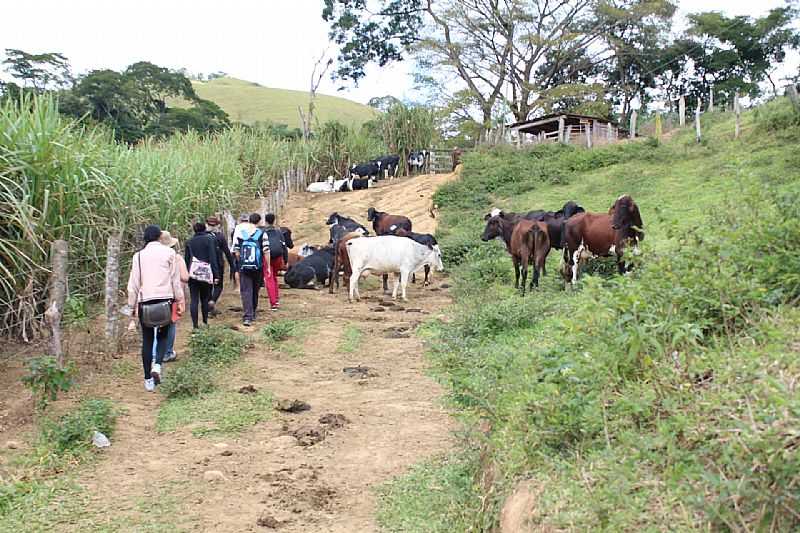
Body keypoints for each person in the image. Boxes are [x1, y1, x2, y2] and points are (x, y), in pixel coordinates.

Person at [127, 224, 184, 392]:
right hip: (165, 300)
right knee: (163, 334)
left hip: (146, 302)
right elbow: (175, 280)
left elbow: (134, 284)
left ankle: (147, 380)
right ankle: (157, 365)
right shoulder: (169, 253)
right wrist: (179, 299)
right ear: (160, 237)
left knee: (147, 339)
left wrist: (132, 306)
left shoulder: (138, 257)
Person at [233, 213, 270, 327]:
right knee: (255, 289)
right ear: (259, 222)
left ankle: (247, 317)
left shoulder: (241, 233)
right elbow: (266, 250)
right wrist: (267, 266)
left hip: (244, 267)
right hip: (257, 267)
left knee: (246, 291)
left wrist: (242, 262)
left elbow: (237, 251)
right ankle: (253, 312)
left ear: (248, 220)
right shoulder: (261, 234)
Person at [157, 230, 188, 362]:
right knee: (171, 323)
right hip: (172, 295)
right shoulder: (176, 258)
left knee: (156, 324)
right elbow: (185, 277)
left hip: (155, 294)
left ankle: (155, 352)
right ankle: (167, 352)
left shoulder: (151, 258)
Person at [185, 221, 220, 329]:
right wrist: (216, 275)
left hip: (193, 273)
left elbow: (187, 259)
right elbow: (213, 258)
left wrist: (187, 274)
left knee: (194, 299)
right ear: (204, 229)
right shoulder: (209, 240)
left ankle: (195, 325)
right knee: (205, 298)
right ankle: (205, 322)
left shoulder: (189, 241)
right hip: (206, 273)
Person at [206, 216, 235, 315]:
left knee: (208, 286)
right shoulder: (220, 236)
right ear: (217, 225)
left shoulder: (202, 236)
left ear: (206, 224)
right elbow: (227, 252)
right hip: (218, 265)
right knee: (218, 286)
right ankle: (212, 302)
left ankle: (209, 306)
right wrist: (232, 265)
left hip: (205, 265)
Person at [262, 213, 288, 311]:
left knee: (269, 279)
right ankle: (276, 299)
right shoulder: (279, 232)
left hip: (267, 258)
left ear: (266, 221)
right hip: (278, 257)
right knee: (274, 277)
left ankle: (273, 303)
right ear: (274, 221)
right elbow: (284, 247)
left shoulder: (263, 232)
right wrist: (285, 260)